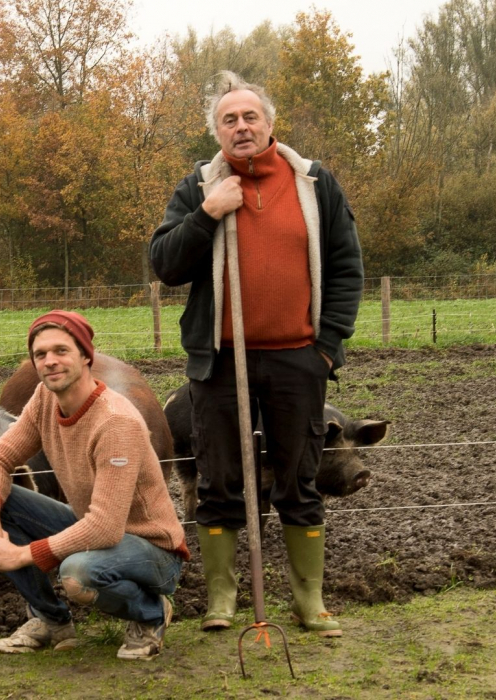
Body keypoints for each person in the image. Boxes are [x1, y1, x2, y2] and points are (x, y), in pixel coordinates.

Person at [149, 71, 363, 637]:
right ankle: (222, 601)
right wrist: (208, 213)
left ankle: (308, 602)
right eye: (229, 119)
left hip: (299, 359)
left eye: (249, 117)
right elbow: (165, 265)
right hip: (221, 362)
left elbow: (346, 267)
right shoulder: (197, 187)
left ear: (269, 124)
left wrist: (327, 346)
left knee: (298, 479)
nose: (240, 127)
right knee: (219, 482)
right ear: (216, 132)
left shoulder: (315, 184)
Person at [0, 310, 189, 660]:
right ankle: (50, 620)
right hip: (96, 532)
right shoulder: (44, 399)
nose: (50, 362)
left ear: (86, 356)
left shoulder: (116, 422)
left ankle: (151, 612)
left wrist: (21, 554)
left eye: (61, 351)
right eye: (40, 354)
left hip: (152, 550)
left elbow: (105, 527)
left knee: (78, 575)